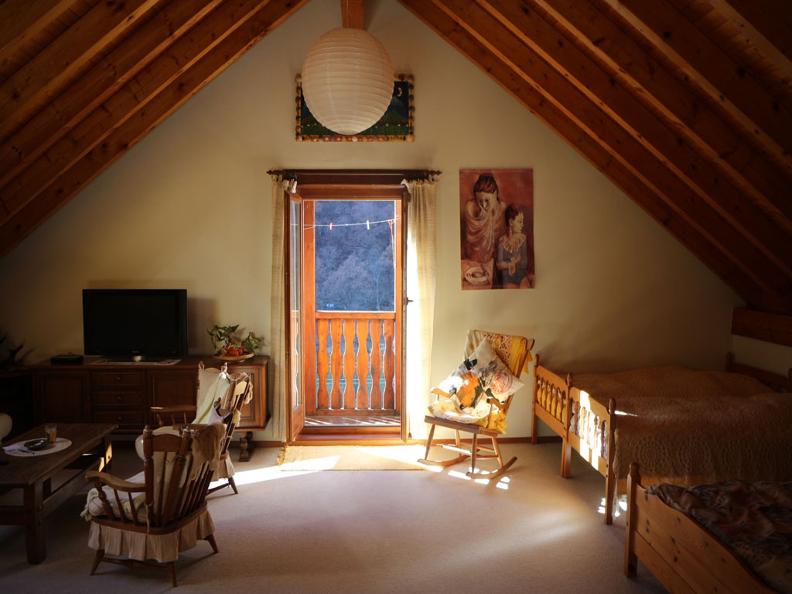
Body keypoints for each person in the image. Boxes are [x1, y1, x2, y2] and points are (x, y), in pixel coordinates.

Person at [462, 174, 506, 284]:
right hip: (473, 260)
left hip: (492, 262)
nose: (484, 205)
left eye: (487, 200)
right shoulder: (470, 207)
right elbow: (470, 239)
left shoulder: (501, 209)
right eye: (480, 201)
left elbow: (501, 242)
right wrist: (483, 218)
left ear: (495, 195)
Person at [496, 205, 529, 288]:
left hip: (521, 277)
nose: (522, 225)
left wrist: (508, 263)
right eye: (519, 222)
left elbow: (524, 263)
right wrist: (512, 263)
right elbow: (499, 264)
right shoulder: (502, 241)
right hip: (508, 279)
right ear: (511, 222)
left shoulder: (522, 239)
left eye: (522, 222)